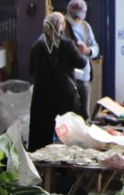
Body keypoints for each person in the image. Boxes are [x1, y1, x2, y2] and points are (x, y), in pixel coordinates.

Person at [27, 11, 86, 150]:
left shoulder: (36, 46)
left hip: (42, 98)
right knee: (65, 132)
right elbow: (81, 63)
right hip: (64, 97)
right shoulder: (68, 45)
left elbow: (31, 70)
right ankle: (64, 168)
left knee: (42, 133)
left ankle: (42, 164)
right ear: (60, 27)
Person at [65, 0, 99, 116]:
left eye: (79, 16)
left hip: (84, 77)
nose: (77, 19)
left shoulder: (85, 27)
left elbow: (95, 47)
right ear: (67, 12)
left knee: (84, 112)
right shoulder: (62, 27)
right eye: (74, 16)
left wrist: (88, 51)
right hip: (68, 78)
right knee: (69, 113)